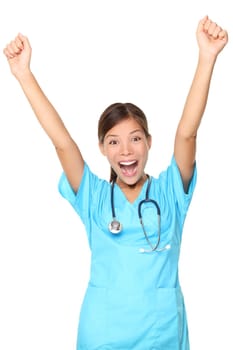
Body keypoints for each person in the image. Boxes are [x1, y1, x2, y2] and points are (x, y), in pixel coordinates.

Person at [3, 15, 228, 350]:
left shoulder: (170, 192)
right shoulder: (93, 196)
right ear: (102, 150)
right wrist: (23, 74)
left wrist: (207, 57)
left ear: (150, 142)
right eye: (113, 142)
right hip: (103, 335)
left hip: (161, 333)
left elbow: (187, 132)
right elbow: (63, 142)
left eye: (135, 139)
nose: (126, 151)